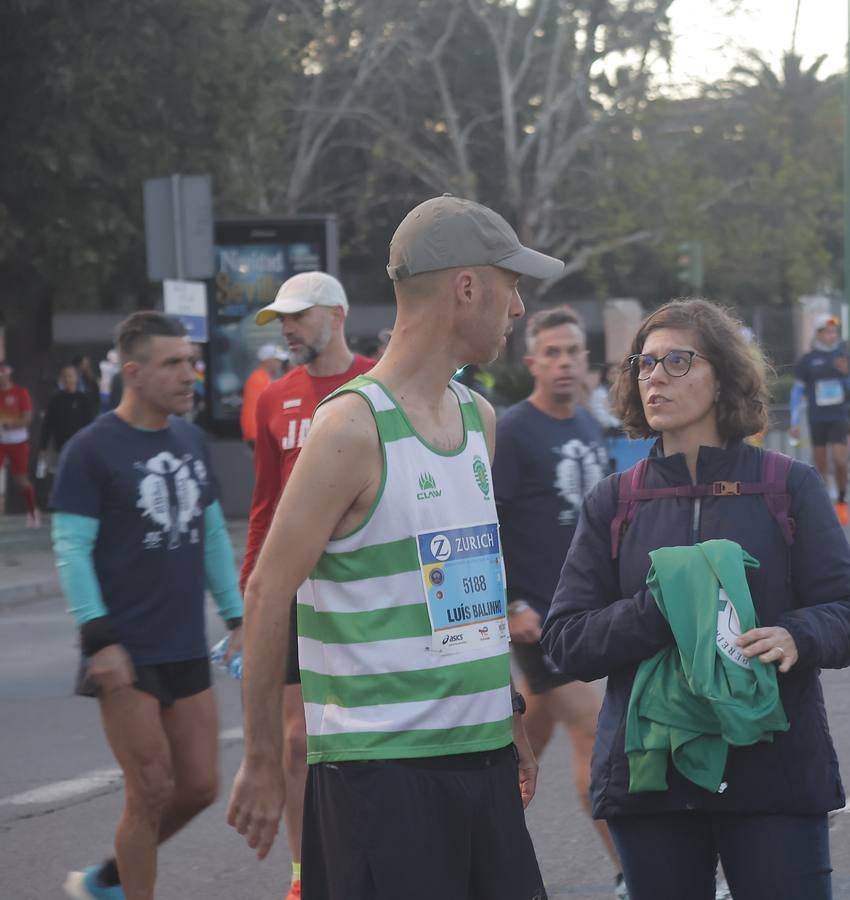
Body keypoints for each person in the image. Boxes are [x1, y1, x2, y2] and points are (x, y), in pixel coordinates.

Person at [225, 195, 555, 900]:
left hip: (484, 761)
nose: (519, 308)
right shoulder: (349, 427)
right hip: (383, 775)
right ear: (467, 288)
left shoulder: (478, 420)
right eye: (512, 285)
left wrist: (509, 715)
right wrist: (259, 756)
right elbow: (266, 589)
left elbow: (471, 596)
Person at [539, 298, 850, 900]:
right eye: (644, 364)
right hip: (652, 781)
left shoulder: (786, 485)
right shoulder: (614, 501)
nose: (655, 377)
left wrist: (798, 635)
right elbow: (566, 642)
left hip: (773, 771)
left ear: (722, 375)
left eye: (677, 361)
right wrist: (665, 607)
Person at [53, 312, 244, 900]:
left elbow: (211, 535)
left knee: (200, 786)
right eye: (174, 364)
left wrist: (237, 618)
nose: (191, 374)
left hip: (184, 642)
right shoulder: (90, 450)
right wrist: (97, 638)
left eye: (191, 361)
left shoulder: (191, 440)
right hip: (124, 651)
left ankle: (107, 877)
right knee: (152, 787)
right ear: (134, 373)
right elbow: (71, 547)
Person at [240, 270, 375, 900]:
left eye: (297, 315)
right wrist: (249, 595)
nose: (288, 328)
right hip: (296, 586)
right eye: (282, 319)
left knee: (368, 729)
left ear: (337, 314)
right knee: (298, 737)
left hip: (367, 586)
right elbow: (264, 503)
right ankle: (304, 875)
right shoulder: (273, 398)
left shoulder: (378, 382)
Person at [492, 306, 625, 896]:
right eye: (552, 353)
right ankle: (633, 874)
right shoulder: (513, 431)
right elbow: (483, 525)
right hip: (537, 618)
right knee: (594, 728)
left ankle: (468, 846)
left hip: (584, 613)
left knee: (524, 741)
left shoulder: (590, 428)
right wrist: (510, 602)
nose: (565, 362)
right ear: (531, 364)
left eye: (573, 351)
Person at [789, 314, 850, 525]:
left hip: (838, 417)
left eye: (835, 332)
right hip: (817, 417)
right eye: (828, 332)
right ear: (819, 334)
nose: (832, 336)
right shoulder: (808, 360)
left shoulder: (844, 358)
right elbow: (797, 392)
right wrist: (794, 421)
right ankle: (824, 505)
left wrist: (847, 374)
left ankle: (842, 499)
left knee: (840, 461)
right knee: (820, 464)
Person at [40, 363, 98, 476]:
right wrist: (43, 446)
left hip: (80, 447)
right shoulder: (55, 399)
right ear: (61, 379)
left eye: (70, 376)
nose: (67, 379)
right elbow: (48, 423)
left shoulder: (83, 398)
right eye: (64, 376)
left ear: (76, 378)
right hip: (60, 447)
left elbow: (90, 423)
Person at [0, 362, 40, 527]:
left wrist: (10, 423)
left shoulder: (20, 392)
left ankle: (32, 512)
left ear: (9, 373)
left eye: (3, 373)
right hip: (1, 442)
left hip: (18, 442)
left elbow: (27, 418)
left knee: (20, 479)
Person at [240, 344, 286, 447]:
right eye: (277, 360)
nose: (279, 363)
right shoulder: (259, 380)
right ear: (268, 360)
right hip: (257, 434)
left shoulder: (261, 378)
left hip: (257, 433)